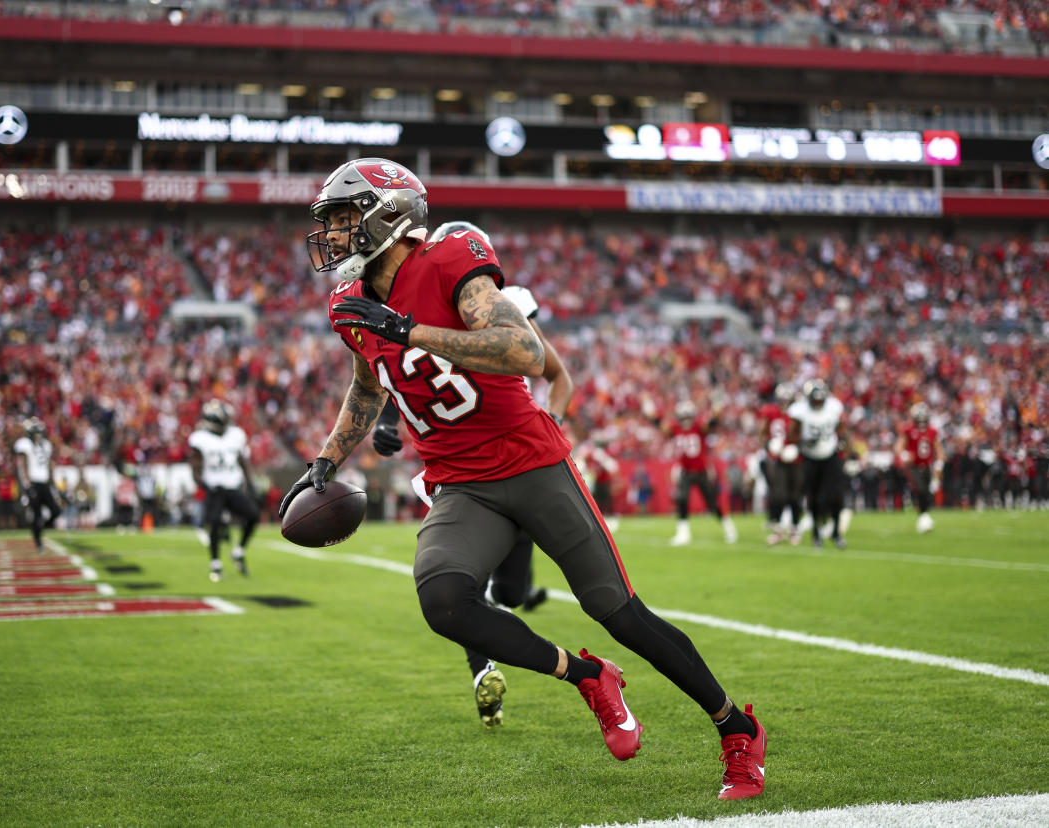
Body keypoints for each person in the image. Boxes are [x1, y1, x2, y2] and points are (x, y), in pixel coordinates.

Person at [281, 158, 766, 800]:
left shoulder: (453, 255)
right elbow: (368, 384)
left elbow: (525, 352)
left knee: (616, 610)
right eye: (333, 223)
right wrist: (326, 460)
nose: (334, 236)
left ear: (389, 216)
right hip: (460, 482)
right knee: (445, 602)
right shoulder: (349, 304)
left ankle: (736, 728)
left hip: (532, 462)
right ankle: (588, 676)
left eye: (345, 219)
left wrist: (411, 330)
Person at [371, 219, 567, 729]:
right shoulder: (426, 300)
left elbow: (554, 372)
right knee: (457, 585)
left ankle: (500, 643)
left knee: (510, 596)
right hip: (462, 465)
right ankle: (482, 670)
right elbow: (404, 370)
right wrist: (389, 420)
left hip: (524, 456)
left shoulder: (505, 304)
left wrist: (553, 424)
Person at [645, 396, 738, 547]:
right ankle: (683, 533)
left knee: (712, 504)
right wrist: (652, 414)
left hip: (701, 471)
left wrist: (717, 408)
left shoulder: (699, 426)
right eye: (683, 417)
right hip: (685, 472)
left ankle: (728, 527)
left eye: (688, 416)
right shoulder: (675, 428)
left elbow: (711, 423)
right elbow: (662, 427)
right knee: (682, 500)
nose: (685, 420)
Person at [188, 400, 260, 580]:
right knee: (214, 523)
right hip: (215, 488)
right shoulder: (200, 439)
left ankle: (239, 550)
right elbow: (195, 468)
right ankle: (215, 564)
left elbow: (242, 461)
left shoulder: (235, 435)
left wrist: (250, 482)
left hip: (233, 487)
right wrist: (204, 485)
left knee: (253, 515)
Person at [788, 379, 849, 548]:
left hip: (830, 455)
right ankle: (816, 532)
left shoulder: (833, 408)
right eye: (814, 400)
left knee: (836, 495)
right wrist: (805, 441)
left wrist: (844, 443)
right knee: (814, 497)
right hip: (810, 457)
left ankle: (836, 532)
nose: (817, 403)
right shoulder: (800, 411)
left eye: (820, 400)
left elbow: (841, 428)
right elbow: (792, 435)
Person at [758, 382, 804, 545]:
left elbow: (804, 435)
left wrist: (797, 448)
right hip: (778, 460)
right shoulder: (771, 412)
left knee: (795, 496)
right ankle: (777, 529)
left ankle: (795, 528)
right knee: (778, 495)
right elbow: (762, 434)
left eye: (787, 399)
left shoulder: (798, 413)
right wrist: (769, 446)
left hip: (796, 460)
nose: (784, 403)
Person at [894, 402, 945, 533]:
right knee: (921, 490)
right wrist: (905, 455)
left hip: (927, 465)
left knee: (927, 493)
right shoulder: (909, 430)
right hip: (914, 466)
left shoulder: (932, 431)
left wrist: (939, 465)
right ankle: (924, 517)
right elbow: (899, 446)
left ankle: (924, 516)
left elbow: (938, 449)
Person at [13, 417, 61, 552]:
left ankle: (42, 529)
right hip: (33, 483)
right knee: (37, 514)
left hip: (44, 483)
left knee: (56, 511)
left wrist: (54, 486)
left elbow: (50, 467)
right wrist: (26, 485)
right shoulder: (24, 444)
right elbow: (23, 465)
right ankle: (38, 542)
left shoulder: (46, 445)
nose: (38, 435)